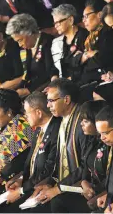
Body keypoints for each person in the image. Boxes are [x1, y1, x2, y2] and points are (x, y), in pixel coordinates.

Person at [0, 91, 61, 213]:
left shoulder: (55, 131)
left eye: (26, 112)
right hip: (28, 184)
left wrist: (21, 190)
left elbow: (48, 170)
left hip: (42, 187)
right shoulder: (38, 130)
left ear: (39, 113)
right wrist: (19, 179)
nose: (25, 116)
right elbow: (28, 163)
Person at [27, 78, 89, 212]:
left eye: (51, 101)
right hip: (67, 184)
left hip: (83, 187)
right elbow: (59, 163)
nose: (48, 106)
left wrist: (58, 188)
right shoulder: (62, 121)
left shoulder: (83, 123)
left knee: (53, 202)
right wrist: (48, 183)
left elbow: (85, 165)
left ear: (66, 100)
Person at [49, 100, 109, 213]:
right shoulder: (91, 140)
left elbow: (112, 176)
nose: (81, 124)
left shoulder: (109, 144)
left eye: (85, 121)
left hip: (102, 193)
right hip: (89, 190)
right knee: (57, 201)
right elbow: (84, 166)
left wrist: (94, 190)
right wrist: (84, 182)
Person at [78, 0, 113, 102]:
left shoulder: (108, 32)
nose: (83, 20)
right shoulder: (88, 38)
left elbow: (102, 59)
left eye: (86, 16)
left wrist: (90, 57)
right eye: (83, 17)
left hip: (107, 79)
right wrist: (89, 55)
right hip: (91, 79)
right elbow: (78, 62)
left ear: (99, 15)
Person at [6, 13, 57, 98]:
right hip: (32, 92)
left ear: (29, 33)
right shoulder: (27, 49)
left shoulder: (47, 42)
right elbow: (27, 75)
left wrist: (29, 90)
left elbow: (49, 73)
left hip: (45, 90)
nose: (20, 45)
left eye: (20, 40)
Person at [50, 4, 89, 80]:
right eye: (54, 23)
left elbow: (85, 65)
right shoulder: (61, 41)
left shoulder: (83, 36)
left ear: (71, 20)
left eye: (58, 22)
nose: (56, 26)